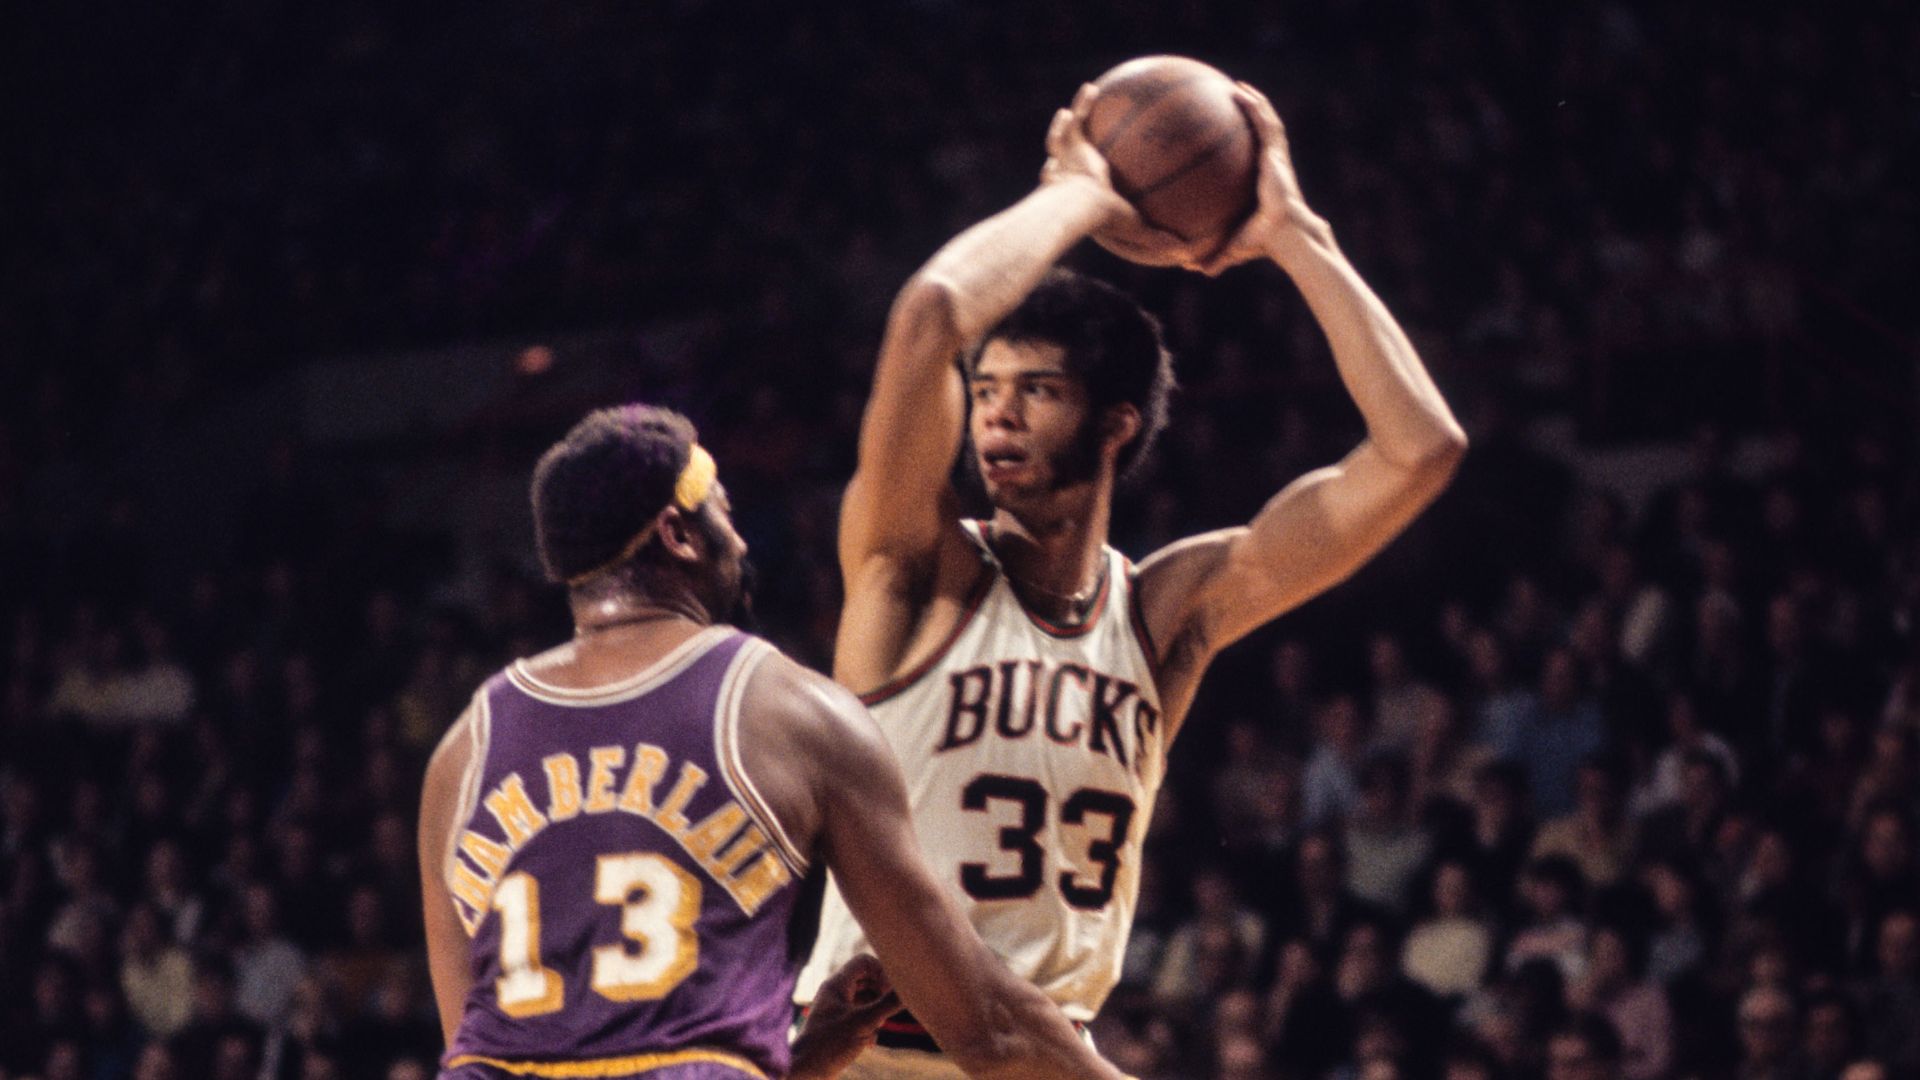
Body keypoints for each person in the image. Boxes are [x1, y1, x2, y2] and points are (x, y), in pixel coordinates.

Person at [798, 78, 1467, 1076]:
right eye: (986, 393)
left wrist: (1295, 235)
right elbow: (932, 314)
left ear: (1115, 424)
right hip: (869, 1052)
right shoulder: (917, 571)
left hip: (1046, 1054)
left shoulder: (1165, 611)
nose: (996, 418)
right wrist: (1085, 195)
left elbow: (1420, 449)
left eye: (1037, 393)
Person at [418, 406, 1124, 1080]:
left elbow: (488, 1045)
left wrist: (792, 1062)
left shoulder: (461, 753)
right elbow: (987, 1029)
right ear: (678, 534)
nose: (743, 540)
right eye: (724, 512)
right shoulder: (791, 710)